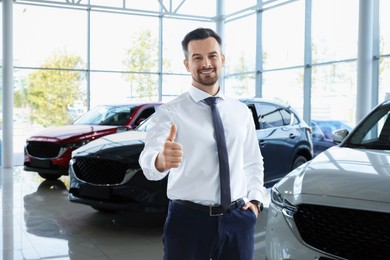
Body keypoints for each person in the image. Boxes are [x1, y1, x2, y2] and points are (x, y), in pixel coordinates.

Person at [139, 27, 266, 260]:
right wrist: (160, 161)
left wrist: (256, 201)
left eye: (212, 55)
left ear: (222, 59)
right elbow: (148, 162)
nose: (206, 63)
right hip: (189, 221)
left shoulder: (240, 111)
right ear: (187, 64)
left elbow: (253, 162)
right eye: (197, 57)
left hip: (238, 220)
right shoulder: (170, 113)